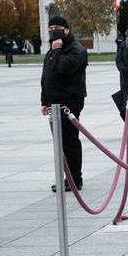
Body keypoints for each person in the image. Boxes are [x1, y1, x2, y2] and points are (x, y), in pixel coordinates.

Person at [39, 15, 89, 191]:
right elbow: (46, 76)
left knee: (69, 141)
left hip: (70, 101)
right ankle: (66, 177)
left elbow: (65, 69)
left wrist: (58, 51)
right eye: (51, 29)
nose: (53, 32)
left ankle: (75, 179)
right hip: (53, 102)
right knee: (59, 143)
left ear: (67, 30)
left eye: (57, 28)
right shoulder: (52, 50)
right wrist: (44, 100)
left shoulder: (77, 50)